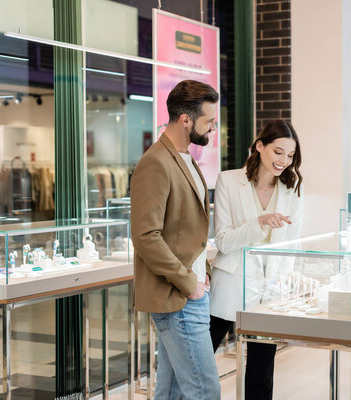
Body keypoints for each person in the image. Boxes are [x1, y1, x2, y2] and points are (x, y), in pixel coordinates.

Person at [131, 80, 221, 400]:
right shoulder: (155, 162)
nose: (213, 128)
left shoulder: (185, 159)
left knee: (171, 393)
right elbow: (145, 236)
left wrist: (202, 275)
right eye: (209, 121)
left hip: (191, 292)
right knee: (205, 391)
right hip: (178, 297)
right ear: (185, 120)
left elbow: (187, 232)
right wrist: (189, 281)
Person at [209, 119, 303, 400]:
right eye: (278, 152)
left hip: (268, 293)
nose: (284, 161)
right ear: (260, 146)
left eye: (290, 155)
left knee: (261, 372)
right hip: (230, 284)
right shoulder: (228, 180)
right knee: (202, 359)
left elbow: (292, 245)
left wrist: (284, 288)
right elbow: (223, 240)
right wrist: (258, 223)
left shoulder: (292, 189)